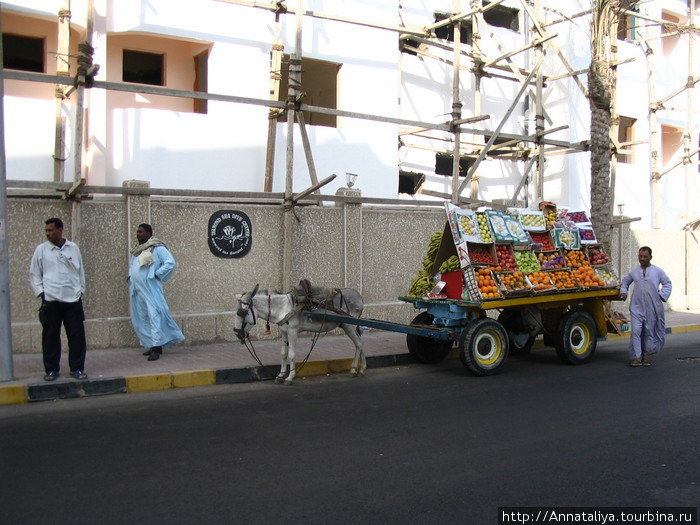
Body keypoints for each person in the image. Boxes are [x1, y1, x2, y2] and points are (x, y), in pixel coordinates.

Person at [29, 218, 88, 381]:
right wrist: (42, 293)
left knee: (76, 336)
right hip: (51, 300)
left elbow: (80, 270)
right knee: (50, 337)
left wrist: (80, 290)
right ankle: (51, 369)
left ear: (60, 230)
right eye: (46, 230)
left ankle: (77, 368)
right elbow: (34, 274)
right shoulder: (42, 250)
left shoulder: (73, 247)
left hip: (73, 300)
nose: (48, 233)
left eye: (51, 230)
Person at [128, 224, 184, 360]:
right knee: (143, 317)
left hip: (150, 289)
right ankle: (151, 344)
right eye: (137, 231)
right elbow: (133, 265)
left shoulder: (157, 247)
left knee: (154, 316)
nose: (138, 234)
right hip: (138, 289)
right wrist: (130, 276)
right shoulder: (138, 250)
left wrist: (156, 274)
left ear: (148, 233)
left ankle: (157, 348)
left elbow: (170, 263)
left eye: (141, 232)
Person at [619, 246, 672, 367]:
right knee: (636, 331)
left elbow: (667, 283)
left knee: (649, 331)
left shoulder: (658, 271)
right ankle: (636, 357)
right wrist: (624, 291)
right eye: (640, 256)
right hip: (636, 307)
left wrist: (662, 295)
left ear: (650, 257)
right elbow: (625, 281)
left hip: (652, 307)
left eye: (644, 257)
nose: (642, 259)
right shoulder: (634, 272)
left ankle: (646, 356)